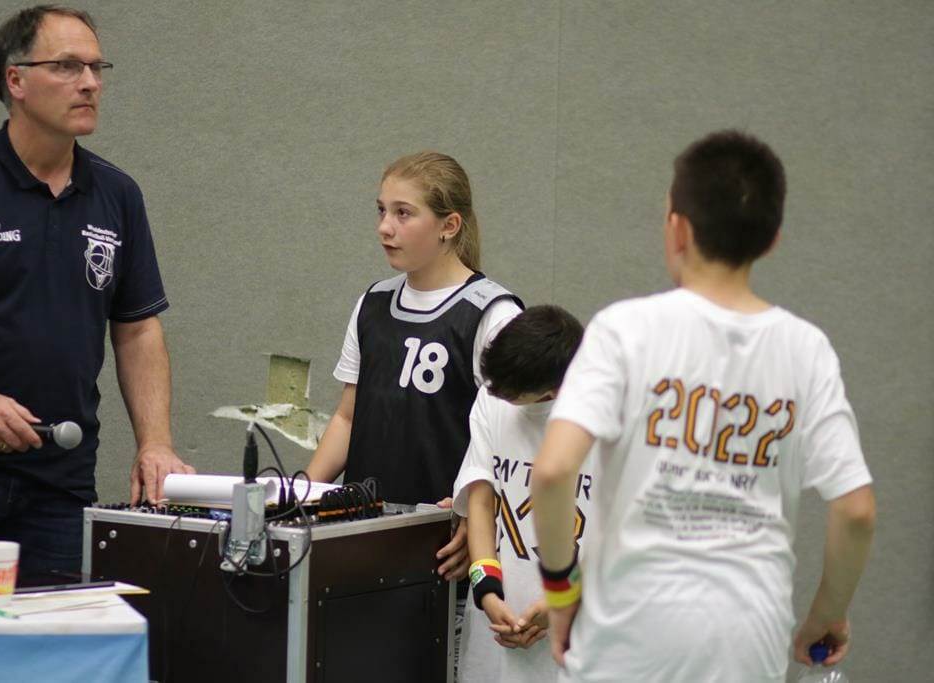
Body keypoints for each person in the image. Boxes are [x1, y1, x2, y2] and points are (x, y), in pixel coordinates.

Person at [531, 130, 876, 682]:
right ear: (772, 240)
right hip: (749, 640)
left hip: (626, 632)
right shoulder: (806, 350)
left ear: (678, 228)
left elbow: (551, 471)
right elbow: (856, 510)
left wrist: (561, 590)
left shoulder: (624, 330)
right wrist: (827, 615)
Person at [0, 5, 194, 581]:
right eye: (67, 66)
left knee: (58, 632)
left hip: (60, 484)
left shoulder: (117, 194)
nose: (90, 83)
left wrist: (155, 443)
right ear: (15, 80)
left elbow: (138, 329)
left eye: (96, 67)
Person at [305, 152, 523, 674]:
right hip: (365, 546)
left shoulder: (493, 315)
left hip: (443, 556)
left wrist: (478, 520)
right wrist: (298, 497)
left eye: (404, 213)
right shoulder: (373, 304)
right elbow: (348, 418)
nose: (385, 227)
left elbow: (514, 446)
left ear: (450, 225)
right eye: (381, 210)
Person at [452, 305, 595, 683]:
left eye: (511, 393)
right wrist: (486, 591)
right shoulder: (491, 398)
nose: (497, 394)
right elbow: (481, 499)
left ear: (554, 390)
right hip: (496, 631)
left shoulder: (610, 420)